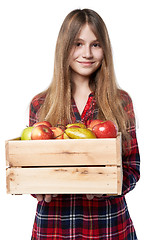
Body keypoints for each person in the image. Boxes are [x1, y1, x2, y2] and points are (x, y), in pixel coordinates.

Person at [29, 8, 140, 240]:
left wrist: (109, 186)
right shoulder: (41, 104)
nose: (87, 53)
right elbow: (30, 167)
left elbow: (132, 167)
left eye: (95, 45)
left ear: (105, 50)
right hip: (55, 227)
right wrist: (36, 187)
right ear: (64, 47)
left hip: (108, 226)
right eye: (78, 44)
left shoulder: (120, 102)